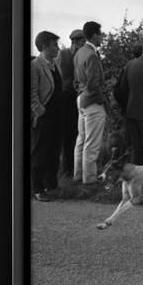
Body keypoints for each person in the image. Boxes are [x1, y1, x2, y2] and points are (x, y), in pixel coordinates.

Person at [30, 31, 64, 201]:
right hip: (44, 116)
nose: (57, 48)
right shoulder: (35, 65)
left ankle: (51, 185)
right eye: (54, 45)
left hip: (56, 115)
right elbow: (32, 93)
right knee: (40, 152)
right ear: (44, 47)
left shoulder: (53, 64)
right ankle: (37, 188)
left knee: (53, 151)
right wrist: (39, 111)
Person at [73, 21, 107, 186]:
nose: (102, 37)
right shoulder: (92, 55)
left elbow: (78, 79)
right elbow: (94, 84)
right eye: (101, 34)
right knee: (92, 143)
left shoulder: (79, 52)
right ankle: (90, 180)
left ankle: (78, 176)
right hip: (92, 100)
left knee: (82, 140)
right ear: (94, 35)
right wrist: (101, 99)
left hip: (81, 98)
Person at [57, 29, 85, 177]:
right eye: (80, 42)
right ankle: (67, 168)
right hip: (67, 98)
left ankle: (74, 168)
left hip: (76, 97)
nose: (81, 44)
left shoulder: (77, 55)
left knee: (77, 134)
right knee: (69, 134)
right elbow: (60, 78)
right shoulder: (64, 54)